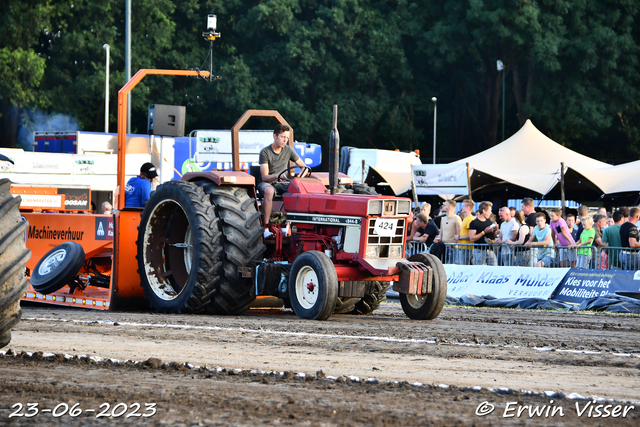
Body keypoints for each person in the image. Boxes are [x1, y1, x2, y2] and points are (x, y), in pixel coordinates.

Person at [258, 124, 307, 232]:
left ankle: (288, 225)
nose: (285, 140)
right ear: (275, 136)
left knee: (297, 189)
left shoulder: (288, 150)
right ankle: (266, 227)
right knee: (269, 191)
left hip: (282, 183)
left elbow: (304, 168)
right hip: (268, 183)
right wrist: (276, 176)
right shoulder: (265, 152)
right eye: (282, 137)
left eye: (287, 138)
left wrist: (298, 179)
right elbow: (264, 177)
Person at [468, 201, 498, 266]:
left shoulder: (489, 221)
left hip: (490, 250)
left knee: (494, 268)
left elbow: (493, 236)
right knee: (479, 270)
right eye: (489, 210)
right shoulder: (474, 223)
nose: (491, 213)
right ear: (484, 211)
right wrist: (484, 232)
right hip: (479, 250)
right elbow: (472, 238)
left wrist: (495, 230)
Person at [456, 199, 475, 264]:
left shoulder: (470, 219)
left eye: (463, 206)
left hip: (467, 248)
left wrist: (459, 237)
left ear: (468, 207)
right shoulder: (466, 218)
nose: (462, 207)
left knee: (465, 266)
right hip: (464, 247)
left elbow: (471, 235)